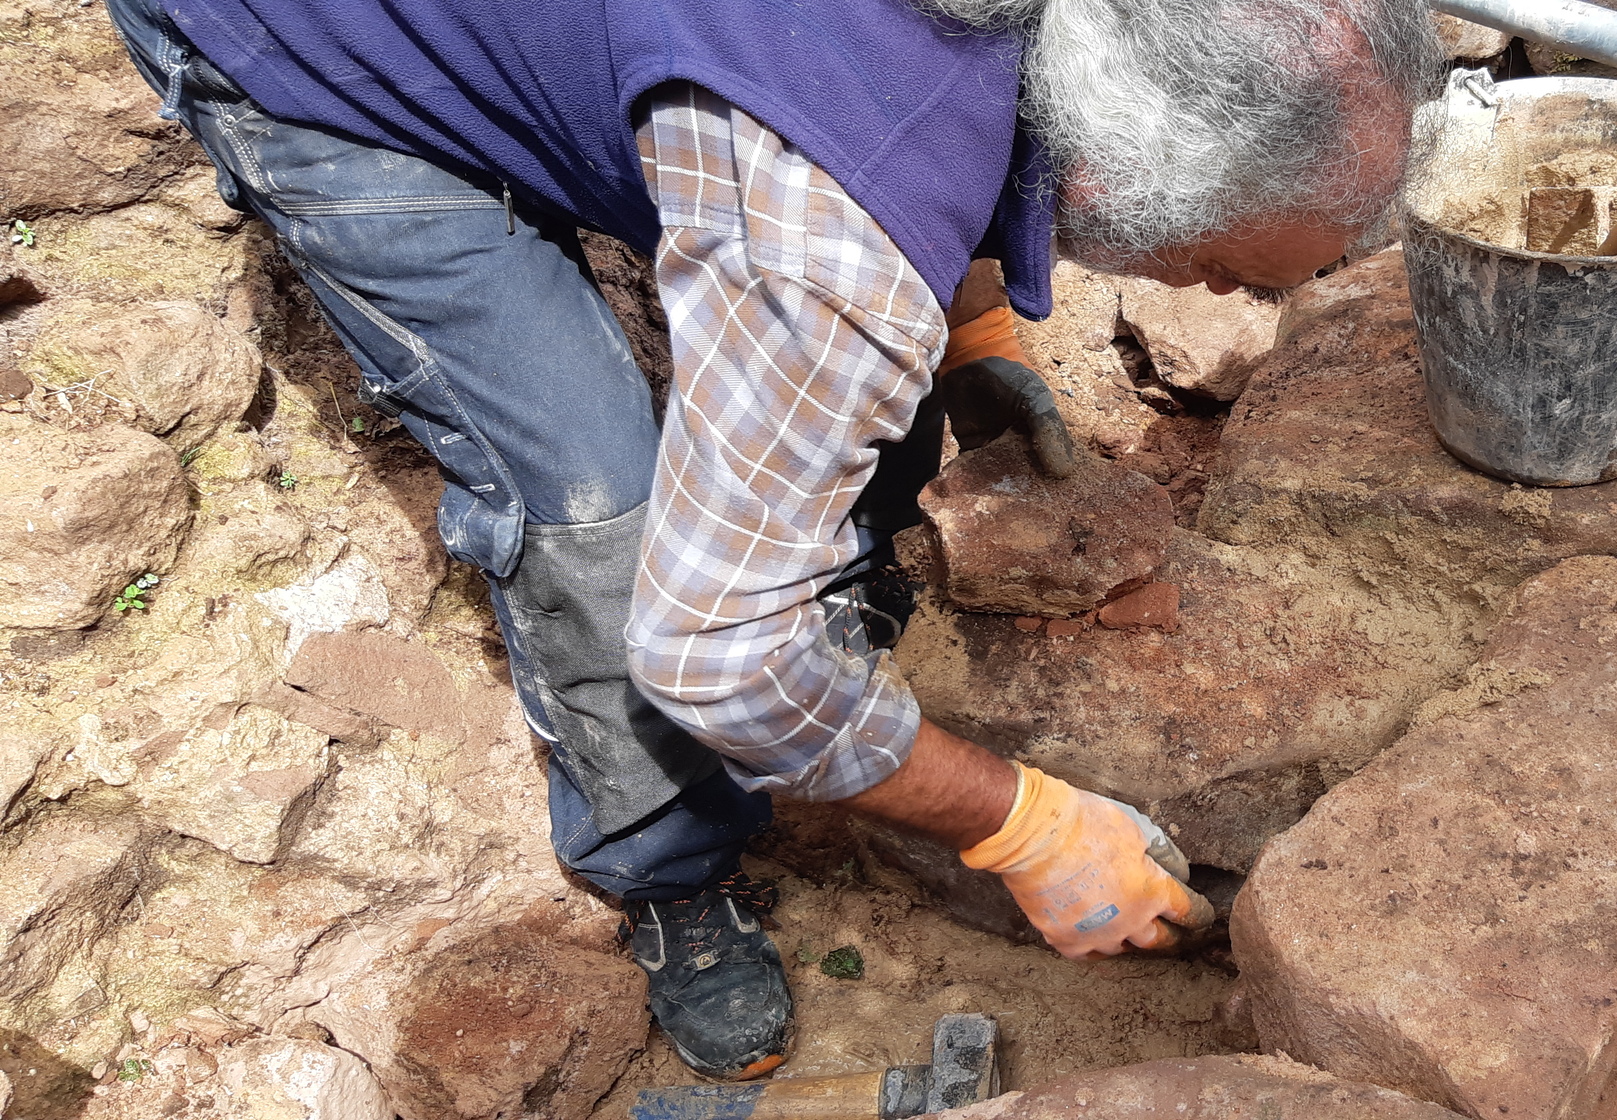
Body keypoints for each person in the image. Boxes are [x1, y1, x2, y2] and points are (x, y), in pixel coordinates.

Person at [104, 0, 1439, 1081]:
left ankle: (823, 635)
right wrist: (1020, 824)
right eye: (1226, 271)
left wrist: (971, 328)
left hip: (631, 55)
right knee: (604, 521)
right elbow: (710, 650)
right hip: (326, 55)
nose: (1231, 298)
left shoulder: (1009, 88)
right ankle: (670, 865)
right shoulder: (833, 243)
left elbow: (949, 122)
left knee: (857, 383)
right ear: (1123, 169)